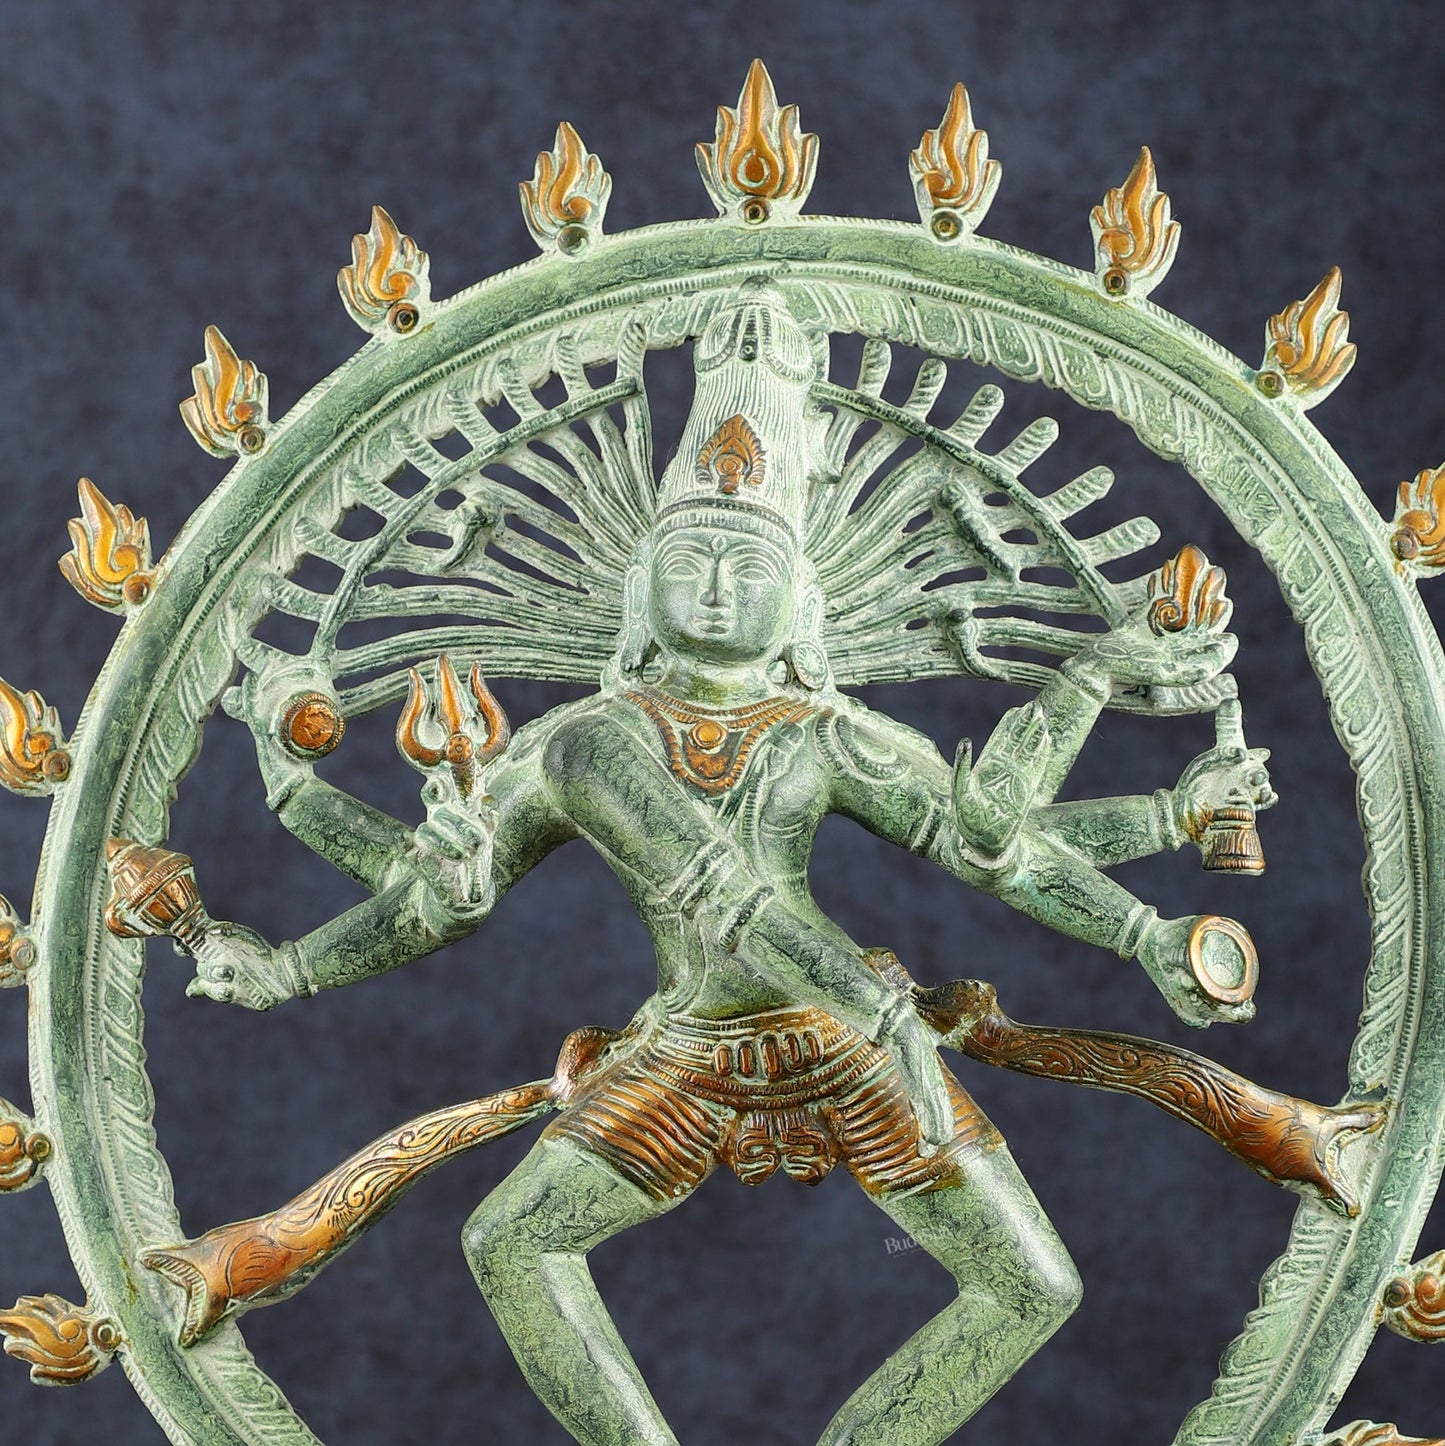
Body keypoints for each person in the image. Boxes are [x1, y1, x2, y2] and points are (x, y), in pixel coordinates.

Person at [183, 281, 1273, 1445]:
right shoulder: (590, 743)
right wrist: (296, 899)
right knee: (510, 1242)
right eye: (690, 559)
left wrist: (1152, 877)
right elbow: (426, 894)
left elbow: (997, 847)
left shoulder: (822, 734)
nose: (714, 587)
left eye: (746, 568)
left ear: (798, 603)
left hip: (843, 1037)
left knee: (1029, 1285)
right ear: (637, 589)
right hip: (694, 1050)